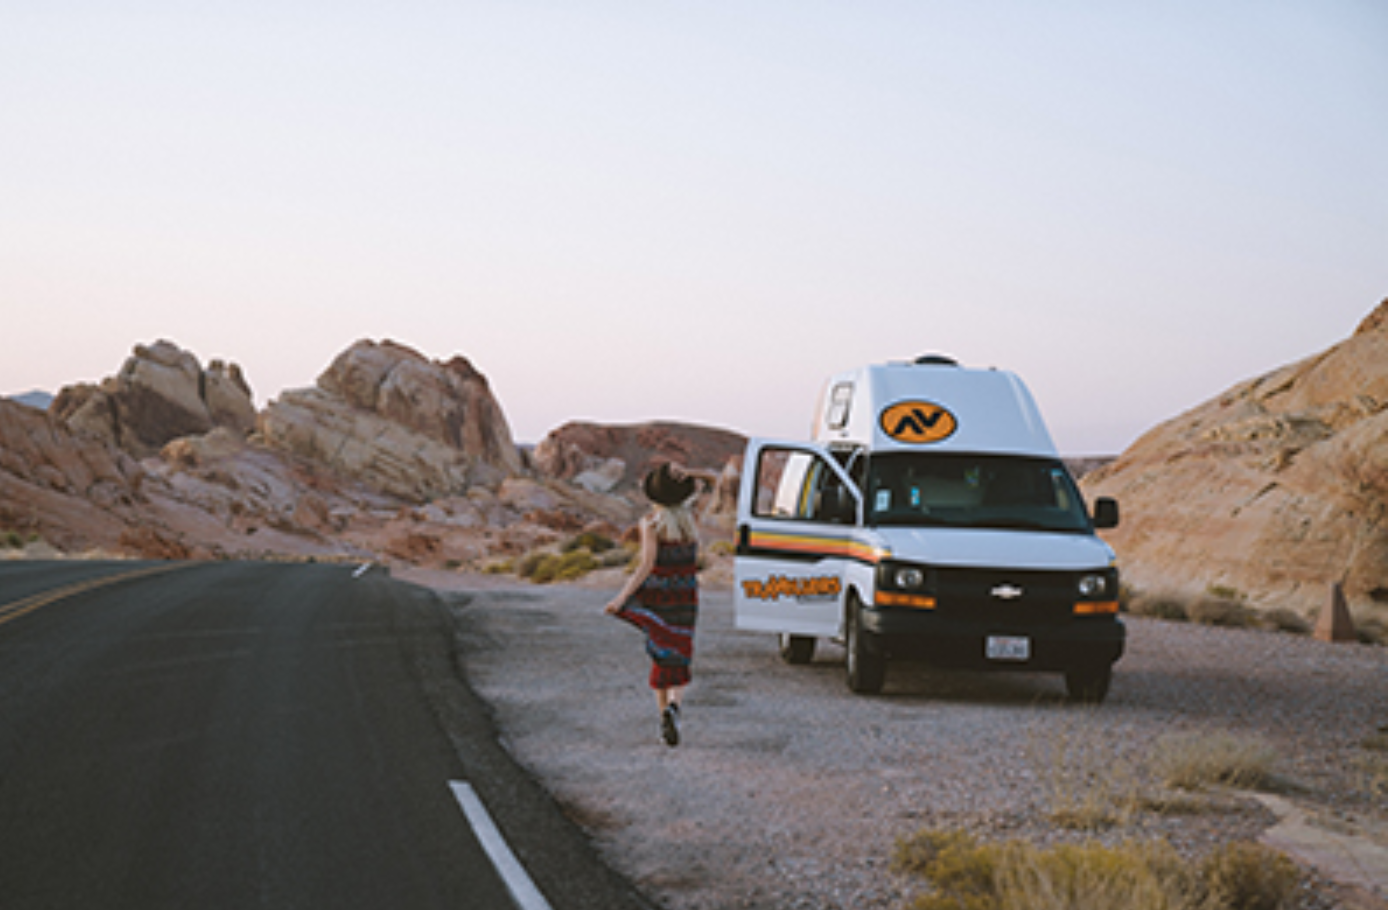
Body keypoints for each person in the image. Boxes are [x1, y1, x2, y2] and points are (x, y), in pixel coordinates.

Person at [605, 461, 719, 747]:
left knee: (660, 654)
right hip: (685, 596)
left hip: (658, 595)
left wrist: (622, 597)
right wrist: (692, 472)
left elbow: (646, 565)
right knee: (680, 652)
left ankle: (663, 717)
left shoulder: (650, 524)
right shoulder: (691, 517)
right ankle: (674, 708)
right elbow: (714, 479)